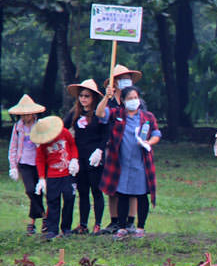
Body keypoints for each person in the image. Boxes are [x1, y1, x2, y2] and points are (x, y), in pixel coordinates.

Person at [96, 85, 161, 239]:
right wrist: (106, 97)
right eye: (129, 98)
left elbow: (157, 133)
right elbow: (99, 113)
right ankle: (122, 227)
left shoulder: (148, 117)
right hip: (121, 162)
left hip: (141, 161)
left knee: (141, 194)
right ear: (123, 101)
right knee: (122, 194)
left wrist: (149, 143)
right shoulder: (116, 114)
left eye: (135, 98)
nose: (133, 101)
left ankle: (140, 227)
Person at [100, 64, 144, 235]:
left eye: (127, 78)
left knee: (133, 186)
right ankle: (115, 220)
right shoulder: (110, 102)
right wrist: (106, 96)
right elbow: (100, 116)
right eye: (121, 78)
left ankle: (131, 221)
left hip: (133, 148)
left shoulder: (137, 101)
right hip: (112, 148)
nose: (125, 81)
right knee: (113, 187)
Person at [64, 80, 107, 235]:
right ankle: (83, 224)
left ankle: (98, 224)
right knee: (83, 192)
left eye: (87, 96)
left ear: (93, 98)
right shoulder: (74, 113)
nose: (83, 99)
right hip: (79, 157)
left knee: (96, 191)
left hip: (95, 158)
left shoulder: (99, 113)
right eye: (81, 96)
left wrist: (100, 151)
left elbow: (105, 134)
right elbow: (62, 128)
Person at [29, 115, 78, 241]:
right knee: (52, 202)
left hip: (67, 173)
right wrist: (41, 178)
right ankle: (52, 229)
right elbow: (40, 159)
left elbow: (73, 145)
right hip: (52, 175)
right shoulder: (43, 141)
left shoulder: (65, 133)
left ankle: (66, 228)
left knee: (69, 199)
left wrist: (74, 159)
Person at [7, 94, 47, 234]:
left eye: (27, 114)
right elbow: (13, 147)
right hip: (24, 163)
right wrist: (13, 166)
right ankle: (44, 216)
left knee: (39, 192)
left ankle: (32, 223)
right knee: (30, 190)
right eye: (22, 114)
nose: (24, 117)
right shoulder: (18, 127)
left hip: (39, 163)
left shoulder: (39, 125)